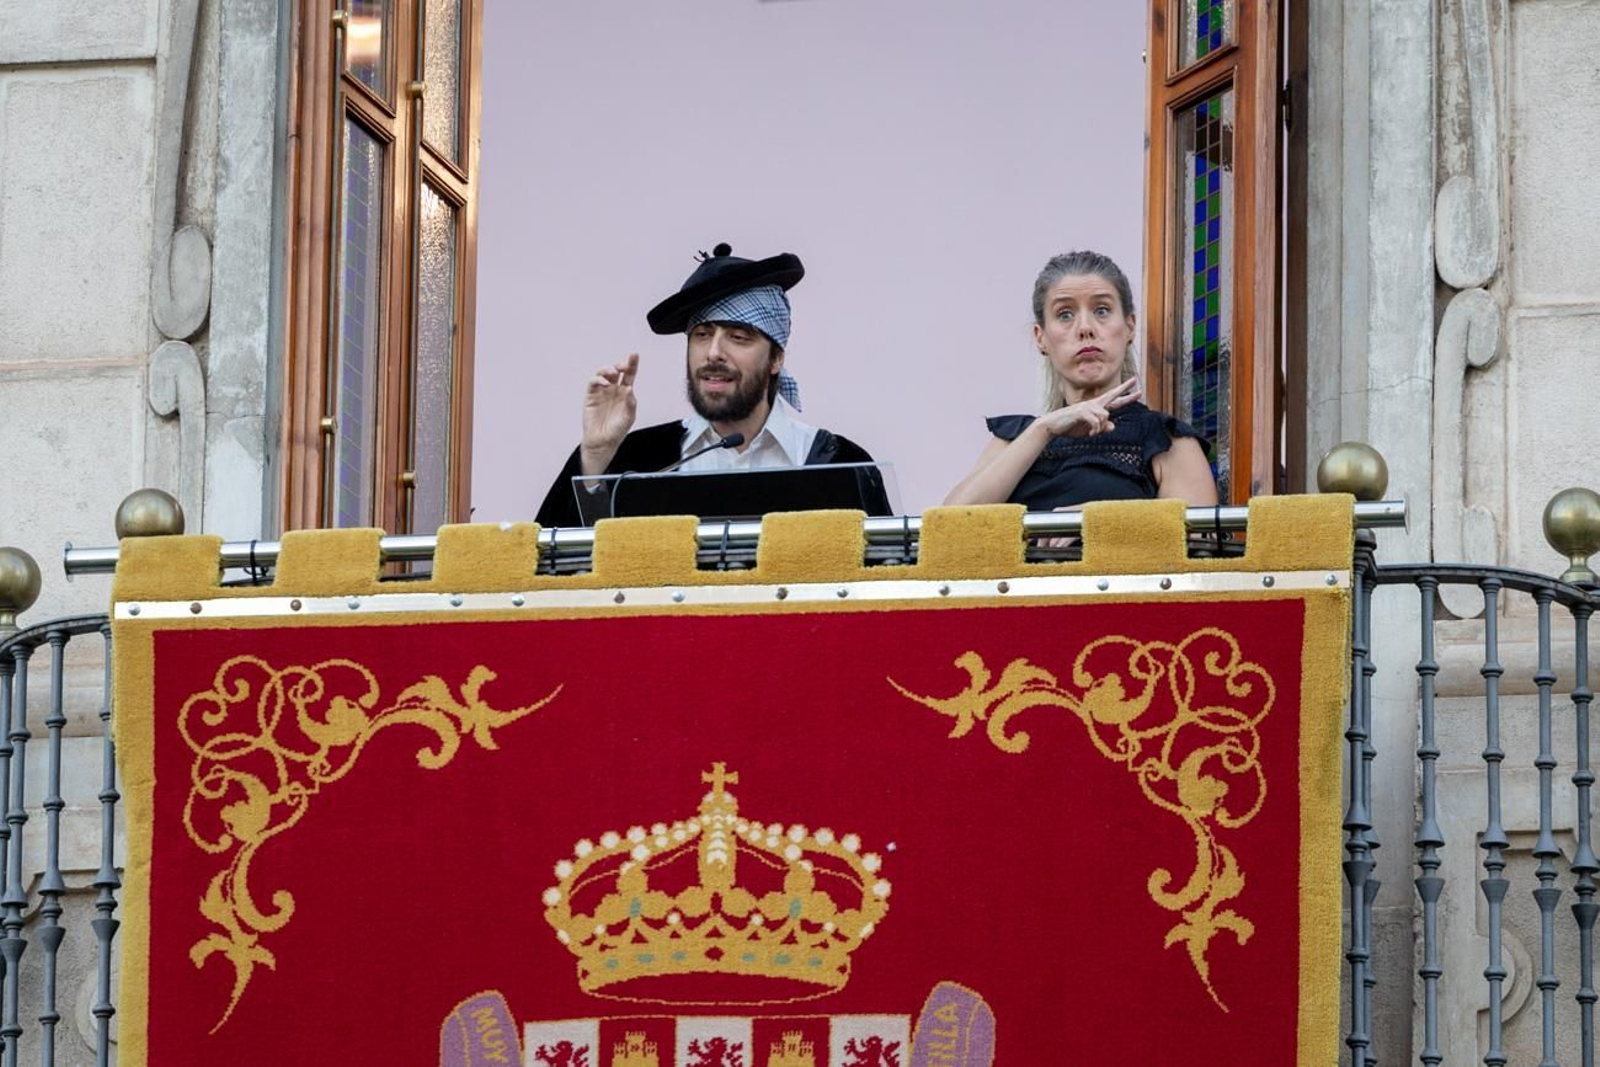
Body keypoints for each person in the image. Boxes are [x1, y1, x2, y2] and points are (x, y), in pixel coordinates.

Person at [535, 243, 880, 527]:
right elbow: (552, 575)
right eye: (701, 335)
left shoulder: (838, 464)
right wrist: (596, 455)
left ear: (776, 359)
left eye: (738, 337)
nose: (713, 353)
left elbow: (886, 583)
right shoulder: (639, 463)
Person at [943, 250, 1217, 511]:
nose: (1085, 328)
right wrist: (1043, 430)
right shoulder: (1014, 439)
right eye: (1064, 314)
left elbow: (1195, 543)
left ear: (1130, 326)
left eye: (1101, 310)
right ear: (1041, 337)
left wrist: (1101, 520)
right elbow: (947, 529)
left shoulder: (1166, 440)